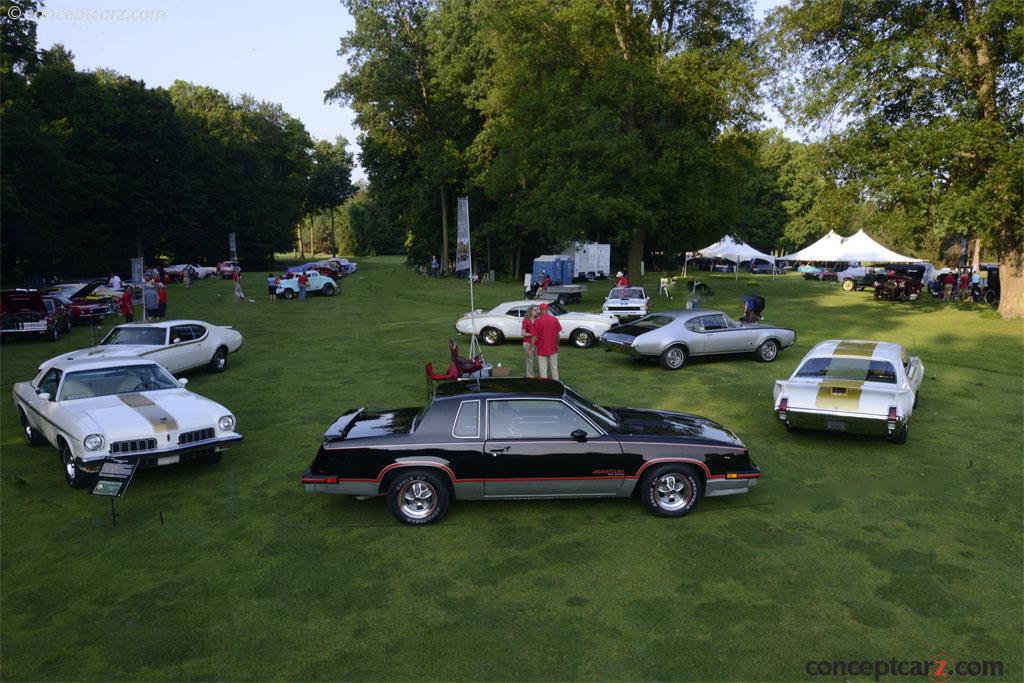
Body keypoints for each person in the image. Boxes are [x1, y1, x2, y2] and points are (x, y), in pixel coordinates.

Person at [533, 302, 562, 380]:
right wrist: (557, 344)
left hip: (541, 347)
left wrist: (534, 347)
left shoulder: (537, 321)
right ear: (547, 310)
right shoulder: (554, 320)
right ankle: (556, 384)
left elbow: (535, 337)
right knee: (554, 367)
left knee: (543, 369)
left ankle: (545, 386)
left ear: (540, 310)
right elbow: (557, 335)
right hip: (553, 347)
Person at [521, 305, 538, 378]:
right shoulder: (525, 320)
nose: (536, 311)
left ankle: (534, 374)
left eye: (537, 310)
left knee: (538, 359)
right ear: (530, 311)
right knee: (530, 360)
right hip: (528, 343)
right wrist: (532, 334)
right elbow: (523, 333)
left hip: (537, 342)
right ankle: (530, 376)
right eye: (534, 310)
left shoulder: (537, 320)